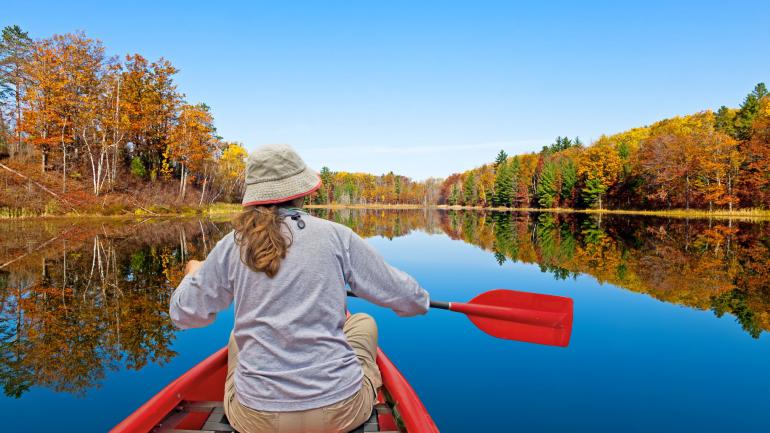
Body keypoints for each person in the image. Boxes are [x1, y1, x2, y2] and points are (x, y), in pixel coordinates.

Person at [169, 144, 430, 433]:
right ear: (302, 192)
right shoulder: (336, 236)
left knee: (236, 337)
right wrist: (422, 299)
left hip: (256, 420)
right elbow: (409, 299)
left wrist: (192, 274)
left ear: (254, 195)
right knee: (363, 322)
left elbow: (184, 315)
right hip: (340, 413)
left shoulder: (233, 244)